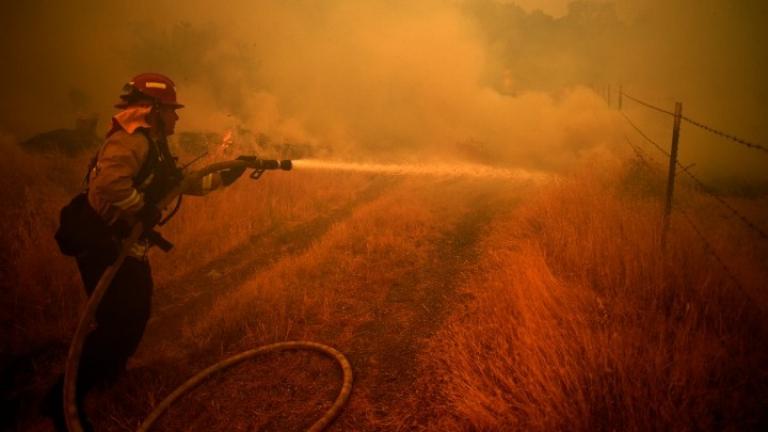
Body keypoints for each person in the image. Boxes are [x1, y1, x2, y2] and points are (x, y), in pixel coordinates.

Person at [44, 73, 247, 431]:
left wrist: (232, 171)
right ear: (152, 110)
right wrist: (141, 207)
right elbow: (109, 183)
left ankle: (109, 374)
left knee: (134, 315)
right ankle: (62, 402)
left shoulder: (152, 143)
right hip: (103, 247)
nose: (177, 117)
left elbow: (182, 185)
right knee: (116, 325)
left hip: (126, 246)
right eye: (172, 110)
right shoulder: (130, 142)